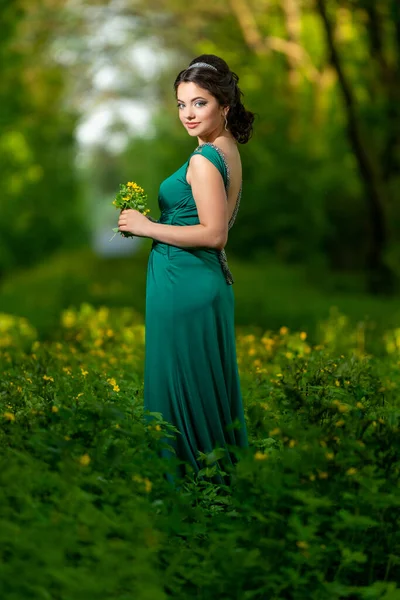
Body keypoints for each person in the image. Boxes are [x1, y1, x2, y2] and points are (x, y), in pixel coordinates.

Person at [117, 54, 255, 486]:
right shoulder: (225, 150)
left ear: (224, 107)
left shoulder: (203, 160)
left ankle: (184, 491)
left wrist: (145, 226)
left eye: (199, 103)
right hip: (200, 283)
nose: (188, 114)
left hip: (186, 284)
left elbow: (214, 234)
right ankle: (213, 490)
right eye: (181, 105)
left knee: (182, 389)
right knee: (203, 390)